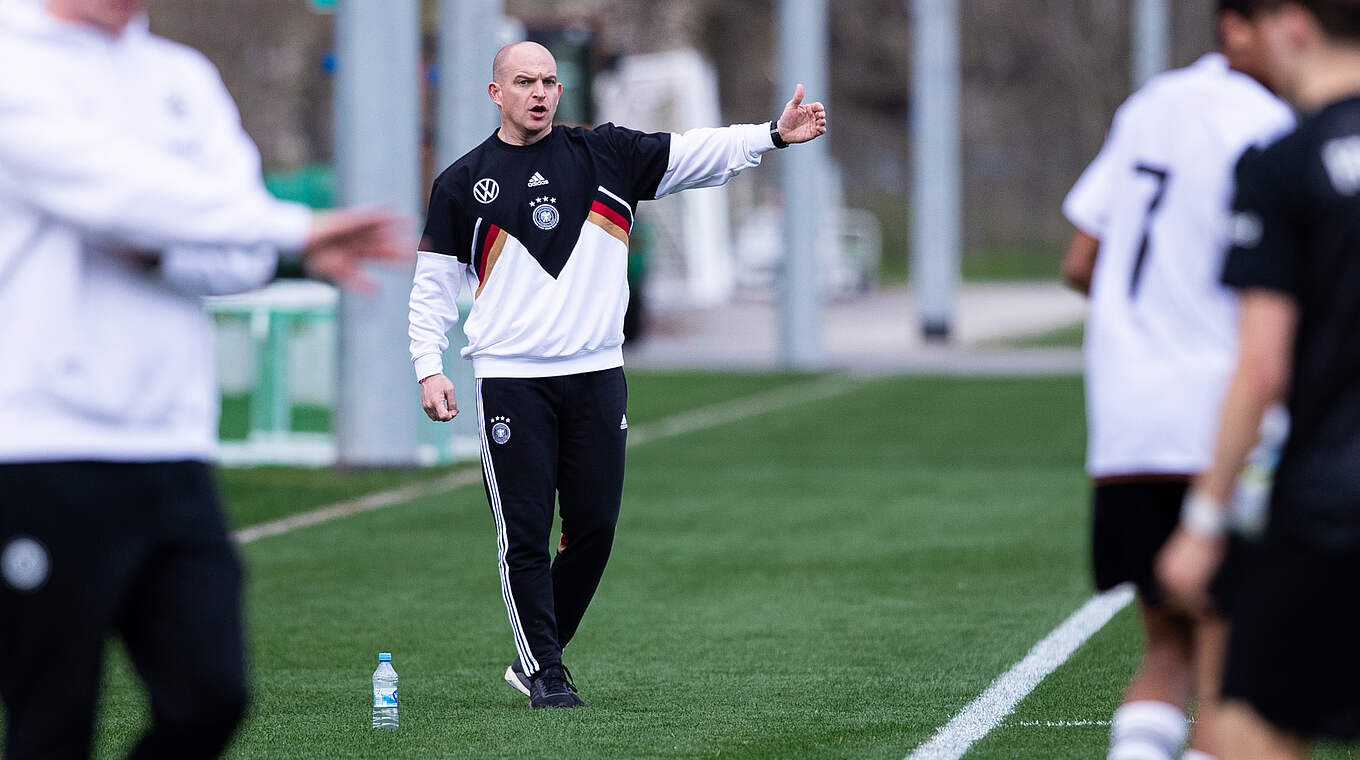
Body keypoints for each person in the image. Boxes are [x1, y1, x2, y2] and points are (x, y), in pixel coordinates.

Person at [0, 0, 410, 758]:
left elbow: (237, 252)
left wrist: (163, 244)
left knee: (211, 696)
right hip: (38, 446)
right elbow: (105, 187)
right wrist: (276, 227)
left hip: (171, 444)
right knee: (51, 723)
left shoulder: (180, 78)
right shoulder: (13, 60)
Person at [408, 41, 826, 709]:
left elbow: (695, 154)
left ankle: (537, 652)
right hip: (510, 380)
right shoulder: (465, 181)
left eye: (548, 80)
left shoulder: (606, 154)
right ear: (497, 93)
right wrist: (430, 368)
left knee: (595, 527)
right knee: (524, 534)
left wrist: (771, 135)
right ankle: (544, 670)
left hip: (598, 375)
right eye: (524, 81)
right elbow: (431, 288)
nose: (540, 92)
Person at [1059, 4, 1294, 758]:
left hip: (1127, 425)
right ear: (1236, 27)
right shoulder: (1267, 124)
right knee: (1234, 670)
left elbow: (1080, 261)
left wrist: (1152, 317)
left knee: (1166, 653)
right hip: (1219, 421)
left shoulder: (1149, 105)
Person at [1158, 1, 1360, 757]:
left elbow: (1262, 365)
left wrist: (1204, 521)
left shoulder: (1283, 164)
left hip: (1330, 504)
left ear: (1295, 27)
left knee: (1248, 722)